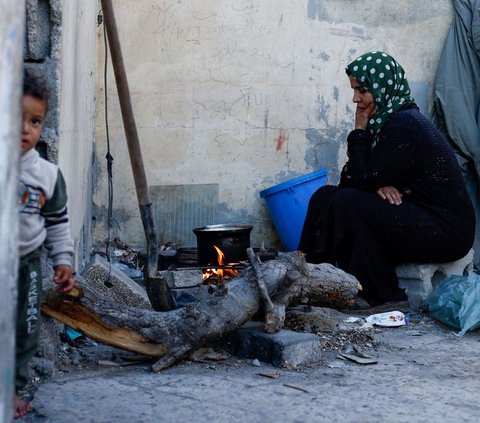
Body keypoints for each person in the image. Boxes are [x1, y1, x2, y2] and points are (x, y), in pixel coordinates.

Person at [298, 51, 475, 307]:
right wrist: (374, 182)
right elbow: (356, 179)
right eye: (354, 90)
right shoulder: (386, 123)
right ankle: (309, 274)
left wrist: (359, 132)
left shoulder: (404, 125)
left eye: (362, 90)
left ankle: (384, 295)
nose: (355, 99)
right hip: (417, 213)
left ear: (382, 88)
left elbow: (359, 179)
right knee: (325, 196)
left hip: (447, 231)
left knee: (348, 203)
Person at [14, 70, 75, 419]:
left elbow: (56, 222)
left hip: (27, 266)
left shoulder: (48, 176)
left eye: (35, 121)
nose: (26, 129)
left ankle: (10, 390)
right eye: (17, 118)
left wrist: (63, 261)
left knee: (25, 329)